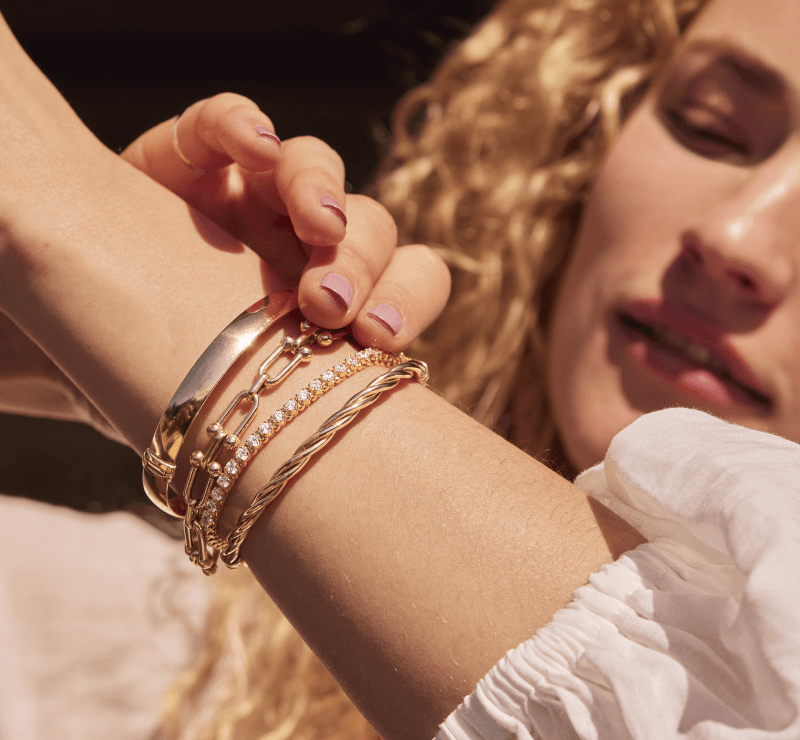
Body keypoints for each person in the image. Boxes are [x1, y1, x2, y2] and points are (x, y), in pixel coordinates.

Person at [1, 0, 800, 738]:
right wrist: (71, 328)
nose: (734, 238)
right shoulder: (162, 657)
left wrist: (93, 237)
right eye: (712, 126)